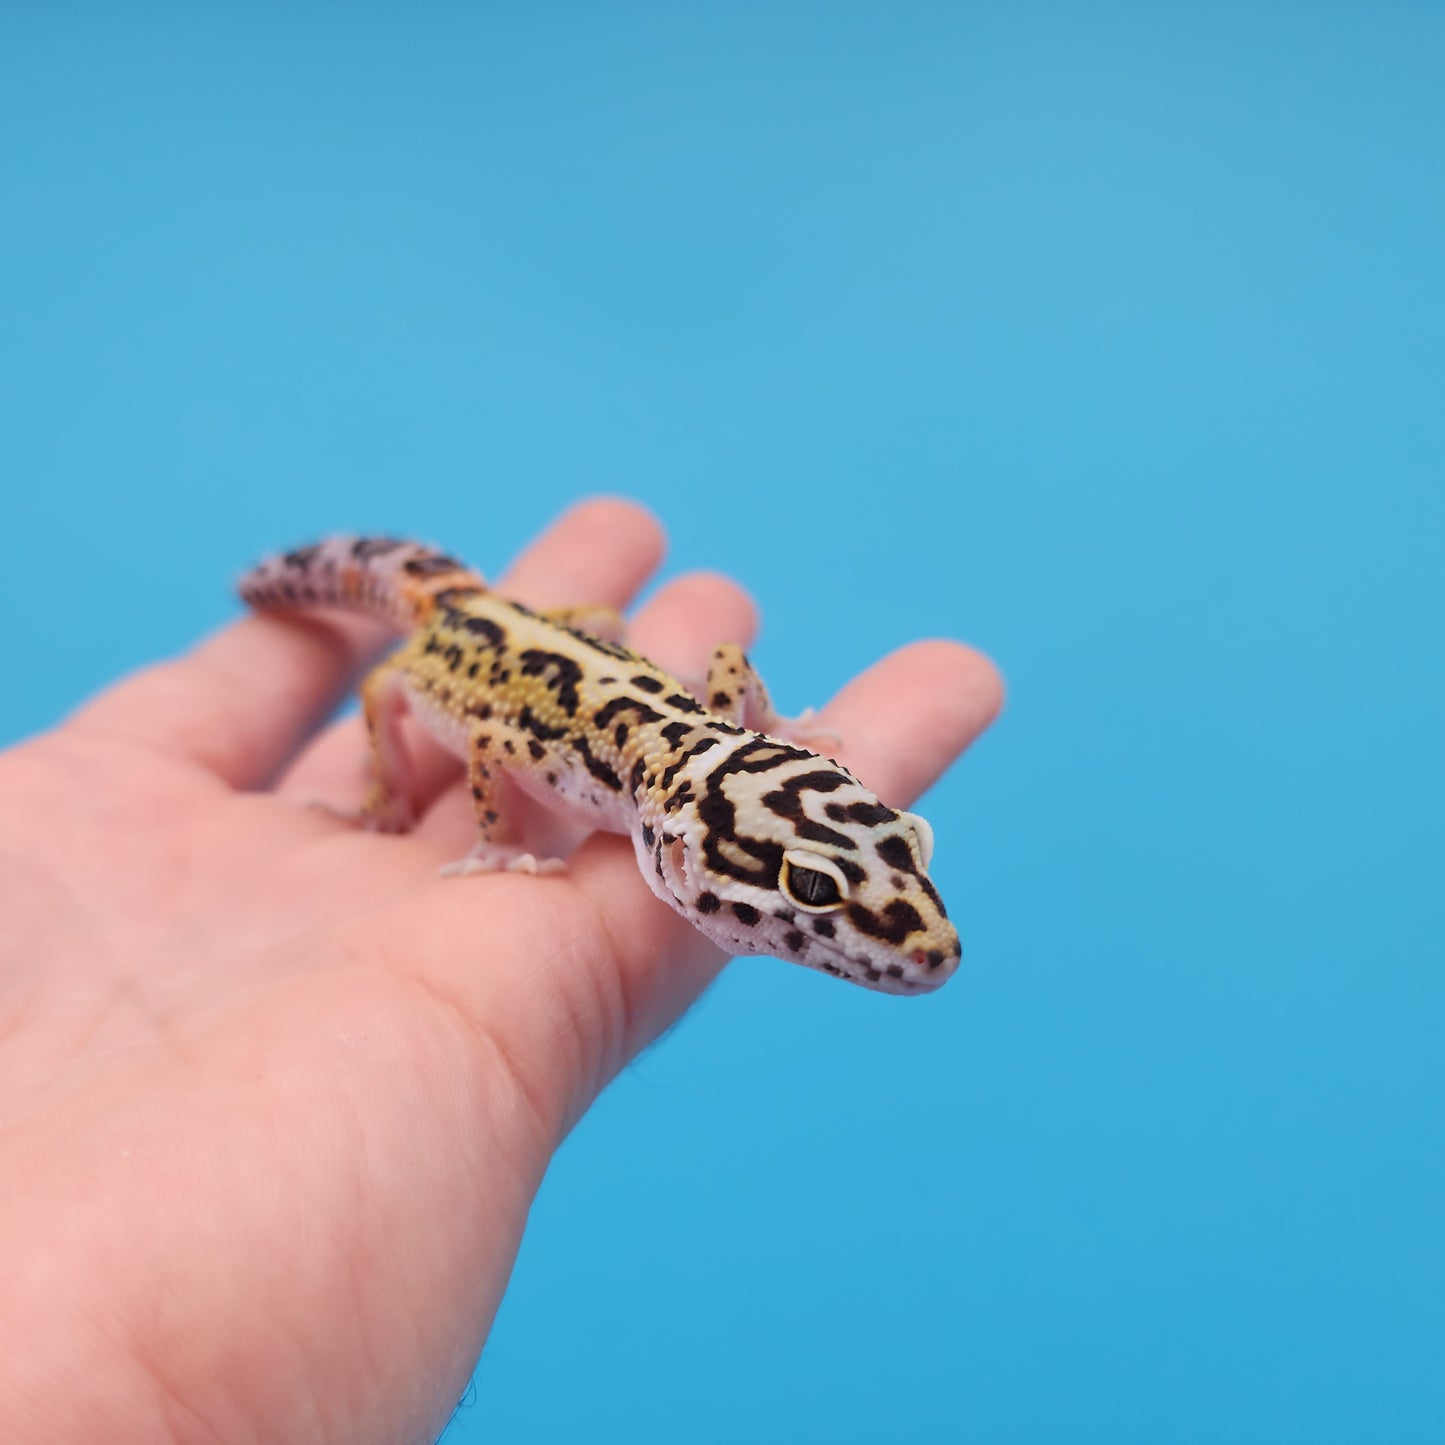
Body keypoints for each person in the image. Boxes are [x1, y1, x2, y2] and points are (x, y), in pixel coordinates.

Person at [0, 499, 1002, 1443]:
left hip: (566, 652)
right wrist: (494, 840)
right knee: (385, 685)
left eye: (897, 846)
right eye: (815, 896)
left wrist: (764, 732)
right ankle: (353, 717)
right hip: (457, 640)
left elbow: (732, 666)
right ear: (692, 852)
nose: (898, 935)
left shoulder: (687, 759)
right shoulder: (580, 764)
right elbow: (490, 734)